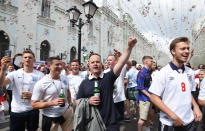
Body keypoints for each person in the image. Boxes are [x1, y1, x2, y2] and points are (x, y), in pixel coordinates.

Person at [76, 37, 137, 131]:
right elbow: (77, 101)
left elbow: (121, 62)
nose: (95, 64)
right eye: (93, 62)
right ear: (89, 65)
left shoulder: (108, 77)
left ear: (102, 64)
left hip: (110, 124)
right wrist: (88, 101)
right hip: (92, 124)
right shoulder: (85, 83)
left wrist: (129, 47)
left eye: (97, 62)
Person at [149, 37, 202, 131]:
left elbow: (187, 91)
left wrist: (196, 106)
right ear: (173, 51)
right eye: (183, 48)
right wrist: (173, 116)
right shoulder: (163, 72)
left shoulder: (189, 71)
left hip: (189, 122)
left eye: (188, 48)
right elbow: (153, 97)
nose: (187, 51)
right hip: (170, 124)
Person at [0, 50, 44, 131]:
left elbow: (44, 92)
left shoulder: (40, 75)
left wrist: (33, 96)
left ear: (34, 60)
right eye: (25, 57)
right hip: (17, 110)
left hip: (33, 110)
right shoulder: (14, 73)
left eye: (30, 57)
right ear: (22, 60)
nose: (27, 59)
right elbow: (1, 83)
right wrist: (3, 70)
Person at [31, 57, 73, 131]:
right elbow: (34, 104)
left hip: (66, 113)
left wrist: (70, 105)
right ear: (49, 66)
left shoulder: (64, 78)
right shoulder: (41, 83)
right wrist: (52, 103)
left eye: (61, 64)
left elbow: (68, 91)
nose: (60, 67)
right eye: (57, 65)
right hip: (50, 116)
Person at [137, 56, 153, 131]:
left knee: (147, 116)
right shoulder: (142, 72)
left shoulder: (147, 71)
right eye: (151, 61)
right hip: (144, 99)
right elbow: (140, 87)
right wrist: (149, 95)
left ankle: (146, 129)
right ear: (146, 62)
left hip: (148, 98)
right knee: (142, 119)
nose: (152, 62)